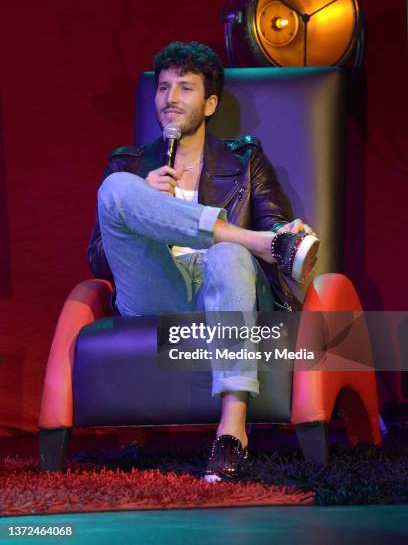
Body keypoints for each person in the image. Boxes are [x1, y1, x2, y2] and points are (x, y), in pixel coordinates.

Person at [88, 41, 319, 482]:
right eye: (163, 88)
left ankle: (231, 432)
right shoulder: (130, 165)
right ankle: (238, 237)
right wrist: (144, 206)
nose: (170, 98)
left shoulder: (245, 160)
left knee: (228, 253)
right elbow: (100, 260)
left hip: (227, 283)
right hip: (160, 288)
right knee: (116, 189)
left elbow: (278, 227)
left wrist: (288, 235)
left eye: (185, 88)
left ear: (210, 103)